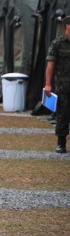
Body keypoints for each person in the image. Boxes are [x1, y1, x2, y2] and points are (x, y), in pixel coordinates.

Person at [44, 15, 70, 153]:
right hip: (63, 86)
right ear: (67, 26)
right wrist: (48, 84)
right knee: (63, 114)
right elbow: (50, 65)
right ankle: (61, 142)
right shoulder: (58, 43)